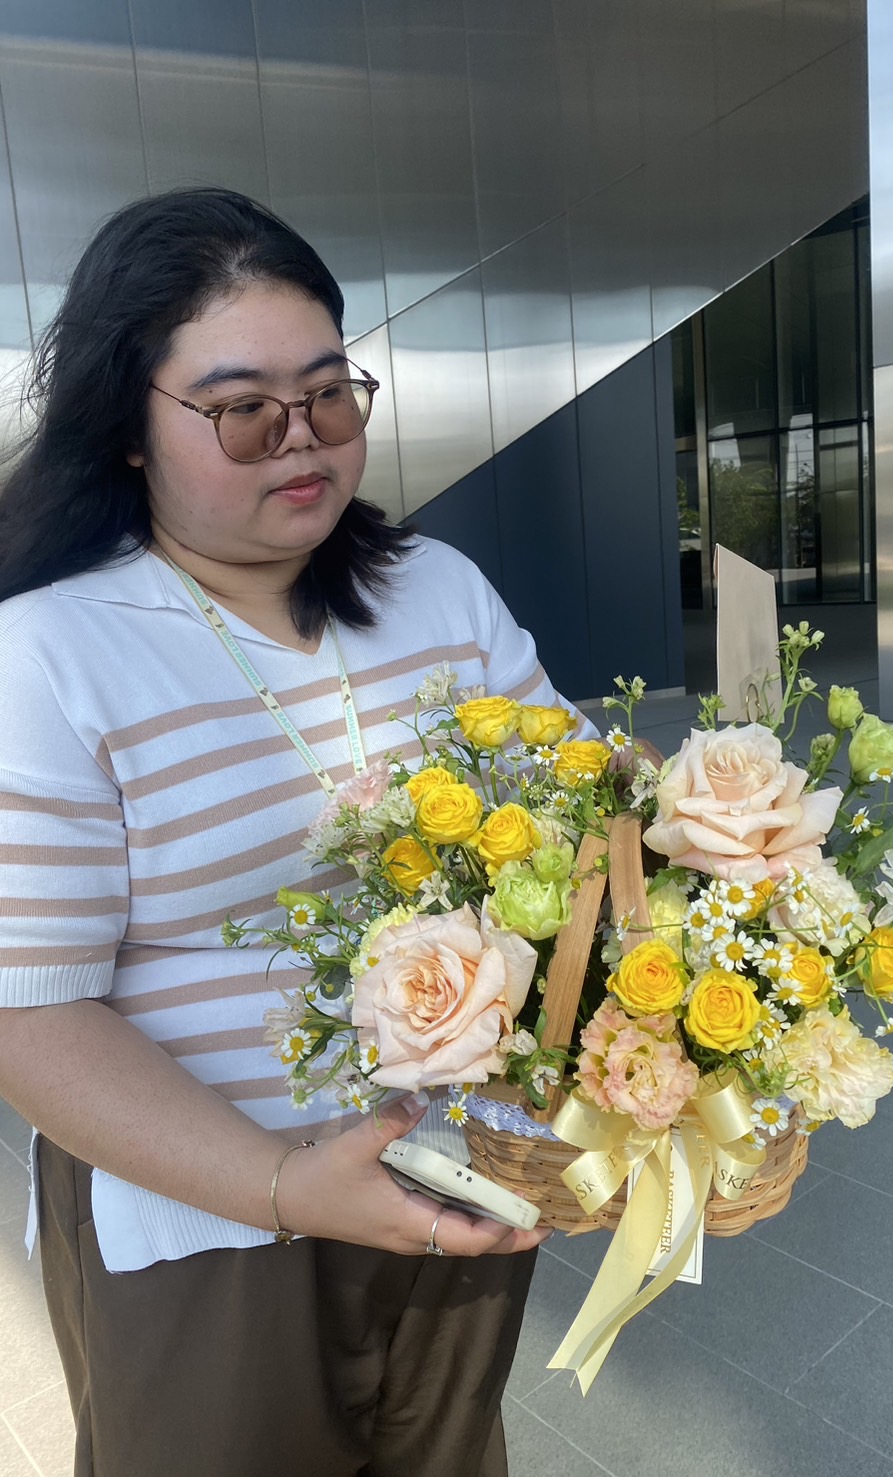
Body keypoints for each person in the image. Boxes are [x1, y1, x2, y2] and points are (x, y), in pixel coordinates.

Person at [0, 188, 572, 1477]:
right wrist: (276, 1182)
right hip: (207, 1226)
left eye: (329, 393)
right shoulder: (50, 654)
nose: (299, 437)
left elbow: (582, 791)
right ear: (128, 427)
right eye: (243, 407)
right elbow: (29, 1011)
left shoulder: (436, 587)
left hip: (467, 1170)